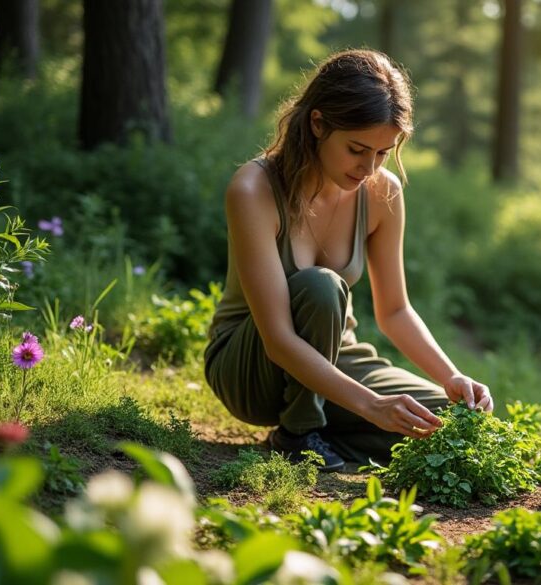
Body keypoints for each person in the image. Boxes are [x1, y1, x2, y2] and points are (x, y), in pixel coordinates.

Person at [203, 49, 493, 472]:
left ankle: (331, 432)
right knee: (320, 286)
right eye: (357, 149)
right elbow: (279, 339)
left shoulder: (382, 192)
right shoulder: (254, 189)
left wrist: (451, 378)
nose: (369, 167)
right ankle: (298, 434)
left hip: (338, 357)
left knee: (452, 422)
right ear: (318, 124)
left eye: (382, 152)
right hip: (252, 367)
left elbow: (395, 310)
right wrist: (373, 407)